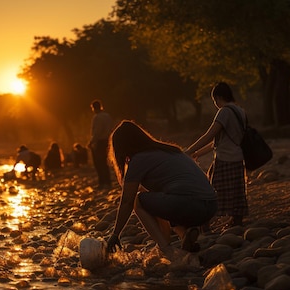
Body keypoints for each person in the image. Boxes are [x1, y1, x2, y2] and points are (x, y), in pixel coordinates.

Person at [106, 120, 217, 257]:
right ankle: (185, 236)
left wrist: (115, 234)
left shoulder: (139, 160)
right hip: (210, 205)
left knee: (138, 201)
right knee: (161, 196)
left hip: (192, 205)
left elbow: (127, 202)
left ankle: (167, 250)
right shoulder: (168, 150)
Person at [184, 82, 248, 227]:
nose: (215, 104)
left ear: (218, 97)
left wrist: (188, 150)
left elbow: (210, 135)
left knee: (213, 192)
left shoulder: (224, 112)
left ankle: (205, 223)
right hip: (238, 157)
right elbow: (216, 141)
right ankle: (236, 220)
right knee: (237, 191)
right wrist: (196, 153)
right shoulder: (240, 111)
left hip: (225, 158)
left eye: (214, 101)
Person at [89, 100, 113, 189]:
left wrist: (91, 141)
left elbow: (97, 132)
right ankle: (107, 181)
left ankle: (102, 182)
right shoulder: (107, 116)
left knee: (98, 163)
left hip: (100, 141)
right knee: (104, 162)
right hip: (107, 141)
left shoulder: (97, 117)